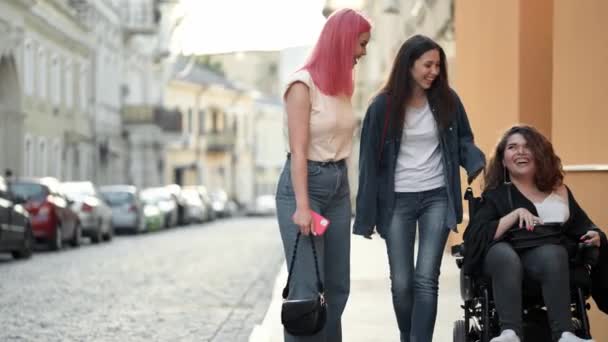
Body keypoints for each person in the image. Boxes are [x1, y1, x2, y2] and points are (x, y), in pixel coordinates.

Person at [353, 34, 485, 342]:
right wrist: (365, 216)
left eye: (438, 65)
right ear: (408, 64)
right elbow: (368, 163)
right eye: (428, 64)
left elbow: (464, 138)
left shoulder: (448, 101)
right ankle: (407, 334)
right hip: (396, 200)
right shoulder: (381, 107)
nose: (434, 71)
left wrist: (476, 162)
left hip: (438, 196)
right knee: (402, 283)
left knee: (427, 278)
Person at [275, 8, 371, 342]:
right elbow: (299, 150)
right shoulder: (302, 85)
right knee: (306, 291)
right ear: (343, 41)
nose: (363, 52)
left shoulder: (342, 86)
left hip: (337, 188)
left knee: (337, 288)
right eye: (360, 44)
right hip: (306, 187)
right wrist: (302, 206)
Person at [462, 125, 601, 342]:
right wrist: (514, 215)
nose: (520, 151)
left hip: (545, 263)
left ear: (539, 154)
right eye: (512, 147)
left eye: (527, 146)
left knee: (553, 253)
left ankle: (565, 334)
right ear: (503, 160)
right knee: (503, 254)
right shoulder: (496, 195)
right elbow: (475, 237)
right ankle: (510, 333)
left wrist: (595, 235)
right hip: (502, 263)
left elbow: (584, 225)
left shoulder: (559, 191)